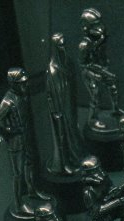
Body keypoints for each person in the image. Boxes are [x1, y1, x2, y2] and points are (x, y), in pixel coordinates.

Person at [0, 68, 49, 215]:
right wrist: (10, 132)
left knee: (30, 164)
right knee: (17, 174)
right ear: (13, 84)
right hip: (15, 142)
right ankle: (18, 204)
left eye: (25, 82)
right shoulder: (7, 101)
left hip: (25, 136)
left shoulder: (22, 96)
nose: (25, 85)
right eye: (22, 83)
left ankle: (32, 191)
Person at [46, 32, 84, 176]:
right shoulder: (52, 71)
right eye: (60, 46)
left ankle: (76, 156)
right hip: (60, 110)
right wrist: (56, 111)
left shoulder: (68, 64)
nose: (63, 49)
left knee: (73, 129)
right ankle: (65, 162)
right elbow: (51, 95)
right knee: (62, 135)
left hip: (69, 105)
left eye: (64, 45)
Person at [78, 8, 122, 127]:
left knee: (113, 84)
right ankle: (92, 119)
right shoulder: (84, 45)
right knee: (95, 94)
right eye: (95, 26)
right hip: (89, 71)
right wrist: (95, 74)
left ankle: (115, 109)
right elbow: (83, 65)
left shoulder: (99, 38)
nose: (99, 28)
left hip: (99, 68)